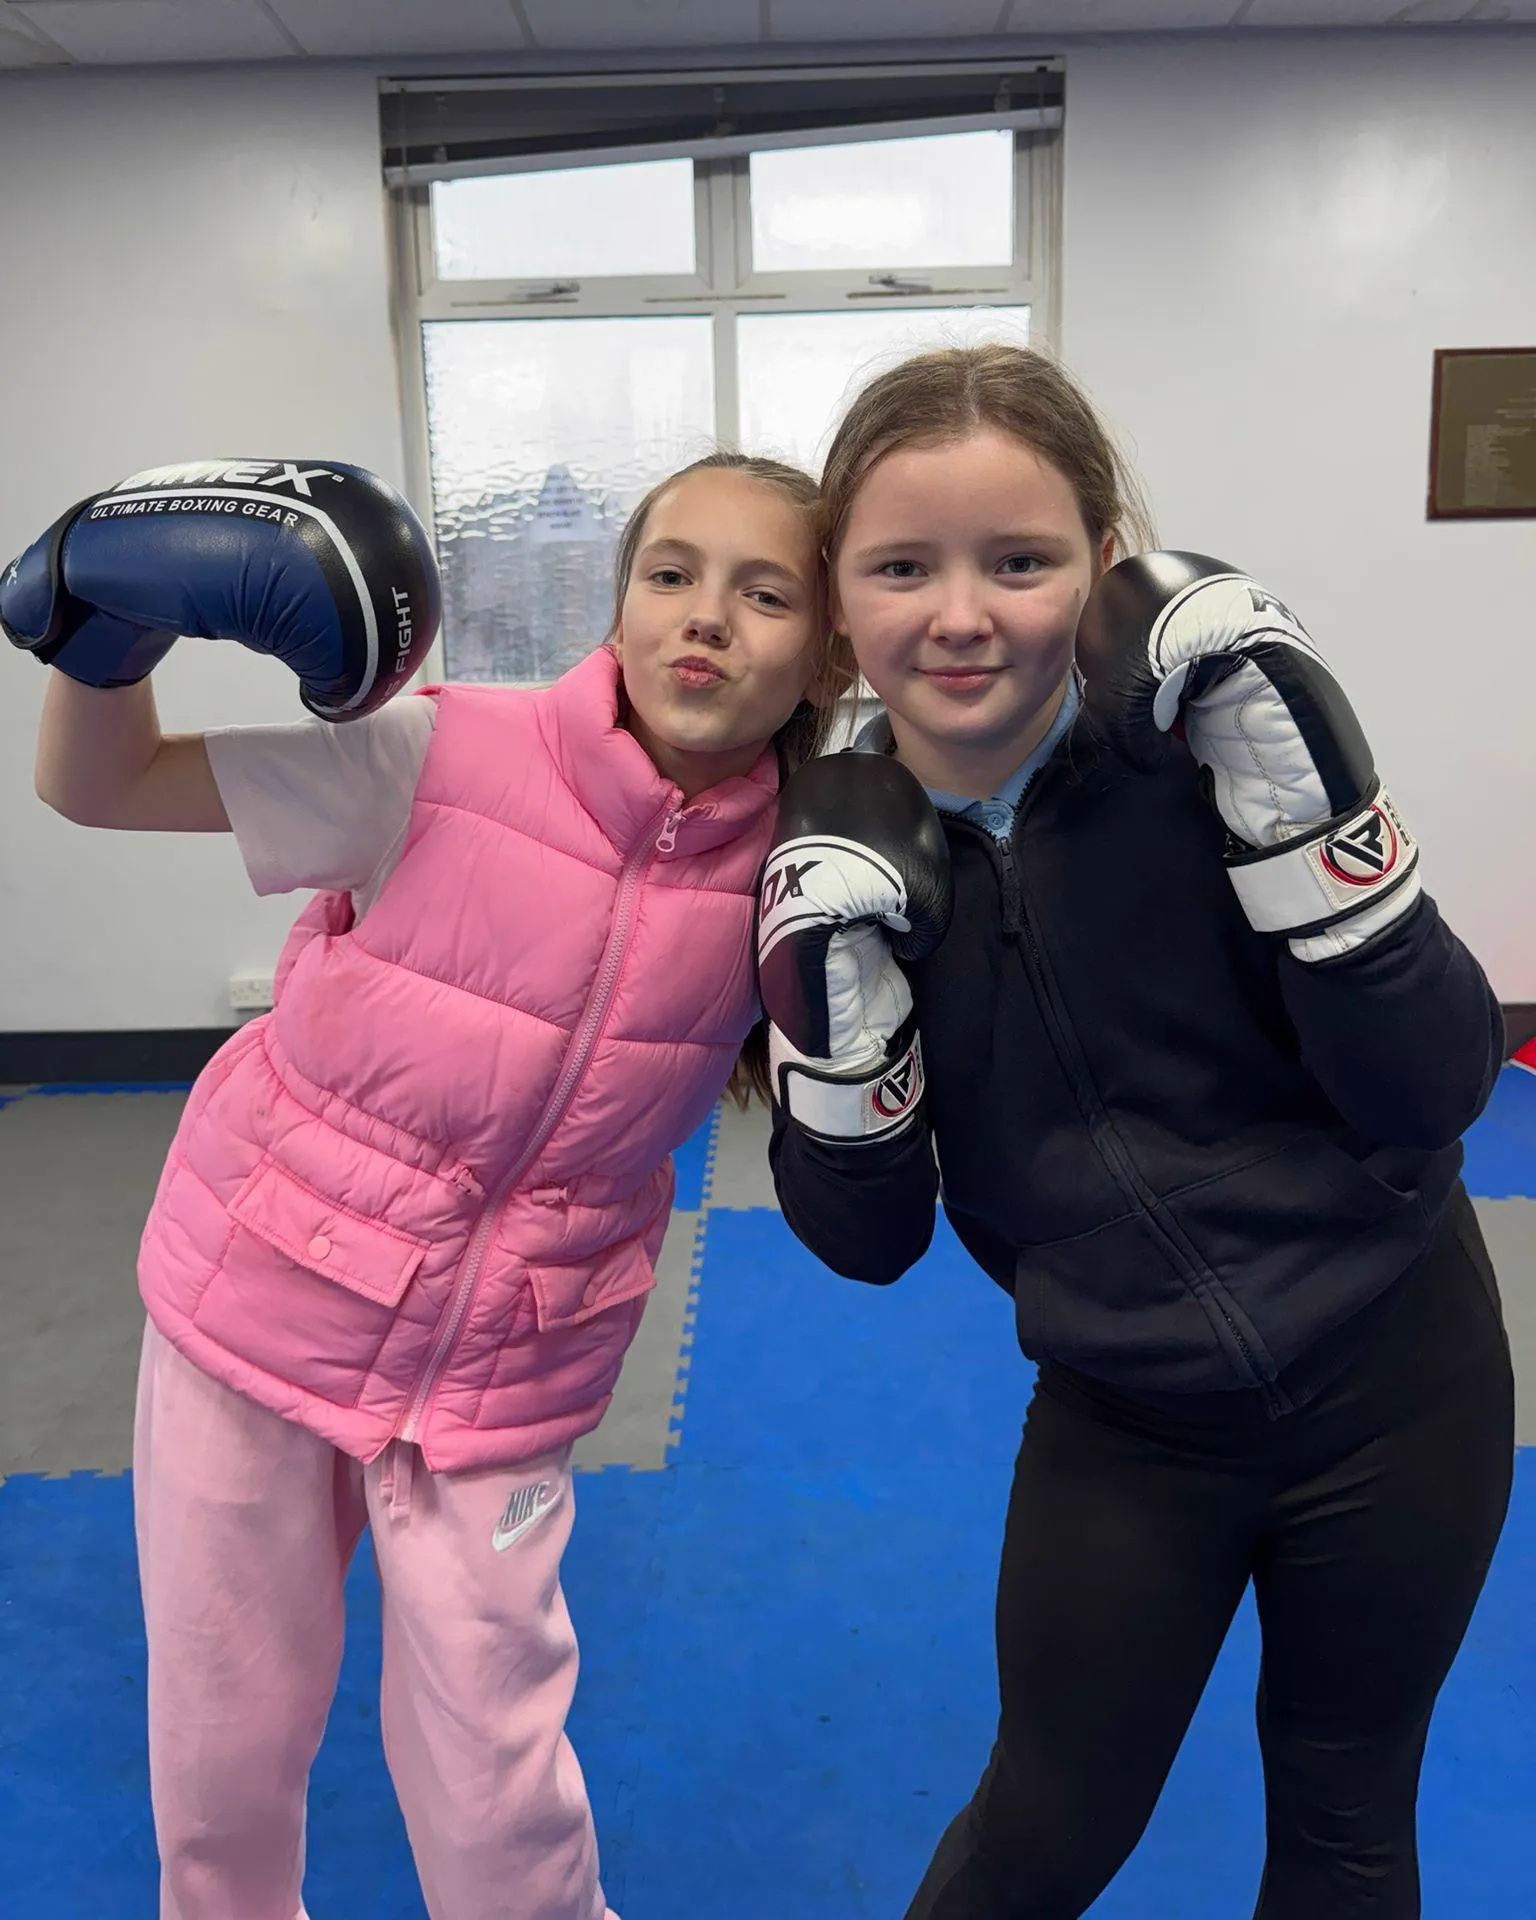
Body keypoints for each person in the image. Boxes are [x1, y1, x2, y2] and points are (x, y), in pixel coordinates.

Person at [7, 449, 848, 1920]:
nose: (704, 618)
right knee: (226, 1749)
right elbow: (100, 784)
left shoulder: (803, 866)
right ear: (620, 600)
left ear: (827, 649)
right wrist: (100, 625)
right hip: (255, 1317)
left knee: (499, 1780)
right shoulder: (439, 756)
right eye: (671, 575)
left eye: (764, 592)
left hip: (508, 1371)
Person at [756, 343, 1513, 1919]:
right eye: (904, 566)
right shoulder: (832, 866)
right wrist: (842, 1045)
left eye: (1019, 561)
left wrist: (1316, 843)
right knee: (1042, 1827)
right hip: (1126, 1425)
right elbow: (870, 1243)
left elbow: (1439, 1086)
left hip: (1401, 1372)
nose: (962, 614)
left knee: (1348, 1808)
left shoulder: (1208, 755)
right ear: (839, 600)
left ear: (1105, 563)